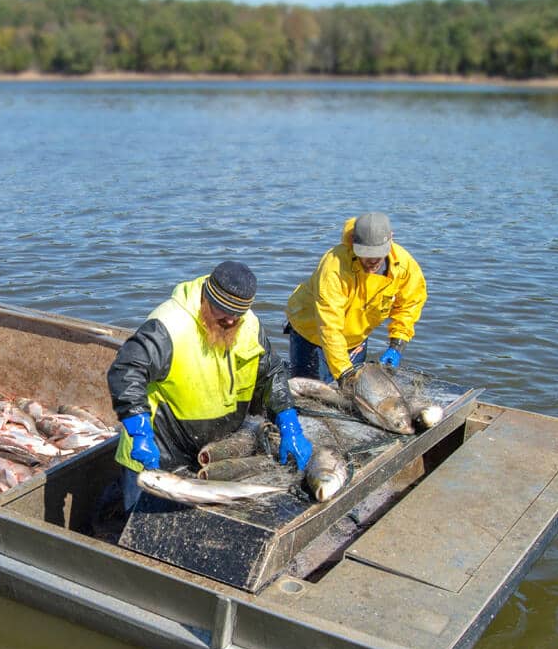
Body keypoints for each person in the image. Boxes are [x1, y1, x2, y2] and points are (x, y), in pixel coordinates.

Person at [107, 261, 312, 512]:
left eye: (237, 315)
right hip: (158, 450)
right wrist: (139, 433)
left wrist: (289, 422)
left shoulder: (248, 324)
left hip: (208, 452)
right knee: (140, 530)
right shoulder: (169, 324)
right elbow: (126, 371)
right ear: (206, 297)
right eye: (222, 311)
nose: (229, 320)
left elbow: (272, 372)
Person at [285, 212, 427, 390]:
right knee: (311, 395)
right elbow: (329, 327)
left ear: (391, 239)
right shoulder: (334, 267)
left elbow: (409, 304)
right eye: (366, 254)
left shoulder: (404, 266)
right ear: (353, 242)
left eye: (378, 253)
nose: (372, 261)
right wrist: (345, 374)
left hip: (356, 338)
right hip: (312, 333)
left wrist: (397, 343)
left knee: (351, 395)